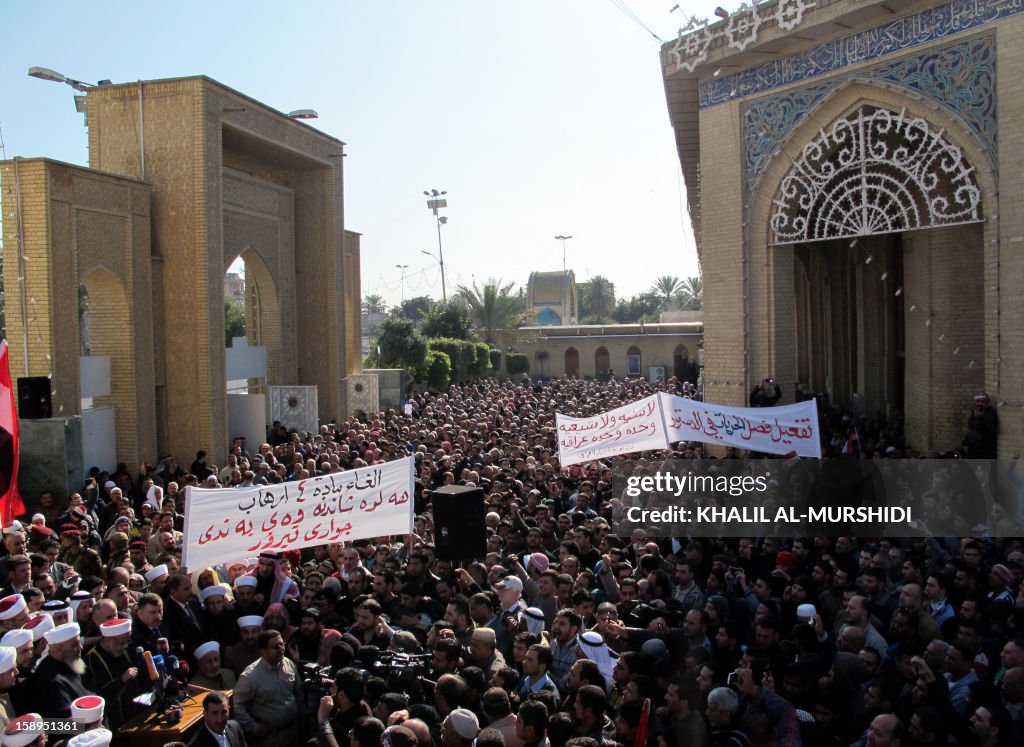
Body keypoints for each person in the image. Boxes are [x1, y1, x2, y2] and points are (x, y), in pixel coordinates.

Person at [233, 631, 303, 747]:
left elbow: (298, 694)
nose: (281, 649)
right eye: (276, 647)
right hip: (270, 738)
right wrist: (254, 728)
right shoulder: (250, 676)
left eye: (282, 644)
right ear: (263, 651)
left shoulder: (289, 664)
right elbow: (238, 706)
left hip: (293, 733)